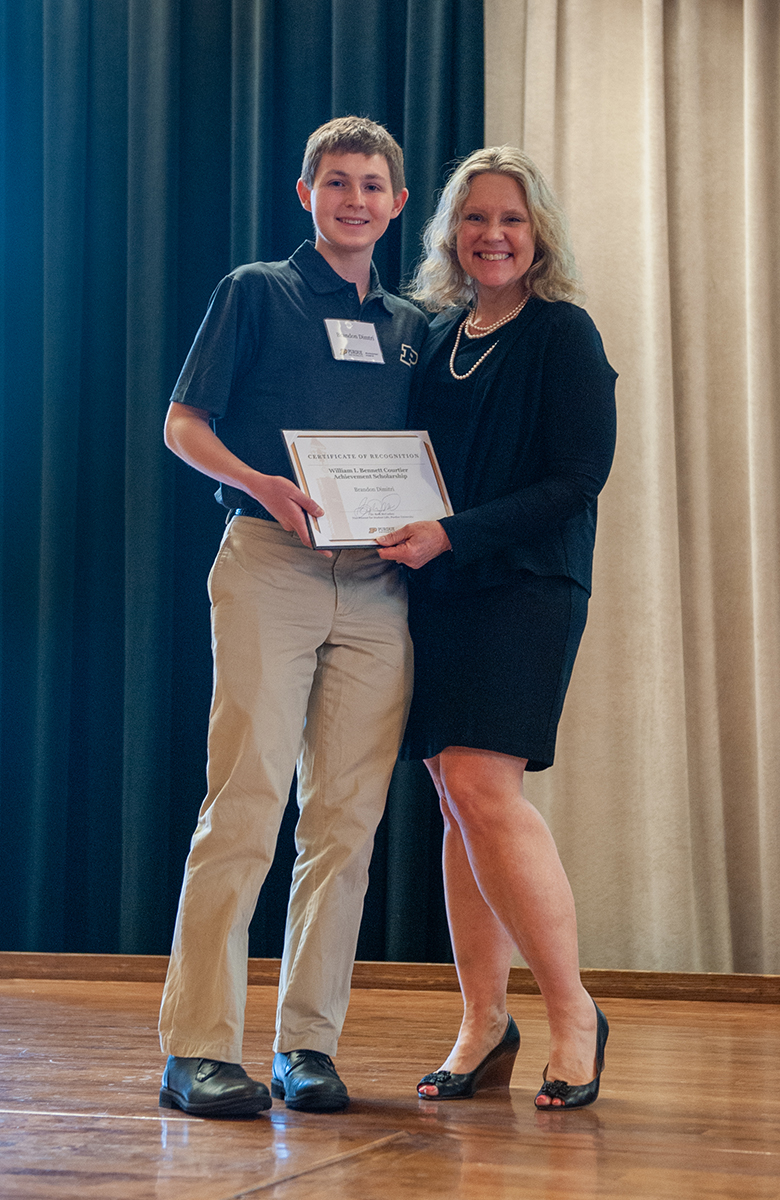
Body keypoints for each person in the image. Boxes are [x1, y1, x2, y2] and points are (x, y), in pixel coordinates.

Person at [157, 116, 427, 1118]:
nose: (355, 199)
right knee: (246, 805)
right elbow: (183, 424)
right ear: (305, 194)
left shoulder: (412, 324)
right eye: (337, 182)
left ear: (398, 206)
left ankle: (306, 1047)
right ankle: (195, 1050)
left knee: (345, 827)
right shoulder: (256, 291)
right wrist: (259, 482)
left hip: (377, 585)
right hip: (271, 564)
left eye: (372, 185)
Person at [376, 147, 617, 1109]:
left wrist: (453, 533)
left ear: (538, 232)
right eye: (475, 218)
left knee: (482, 786)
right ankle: (484, 1020)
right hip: (434, 589)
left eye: (511, 219)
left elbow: (576, 479)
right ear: (450, 232)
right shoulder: (435, 337)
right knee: (454, 800)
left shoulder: (564, 334)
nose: (493, 234)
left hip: (522, 582)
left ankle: (573, 1015)